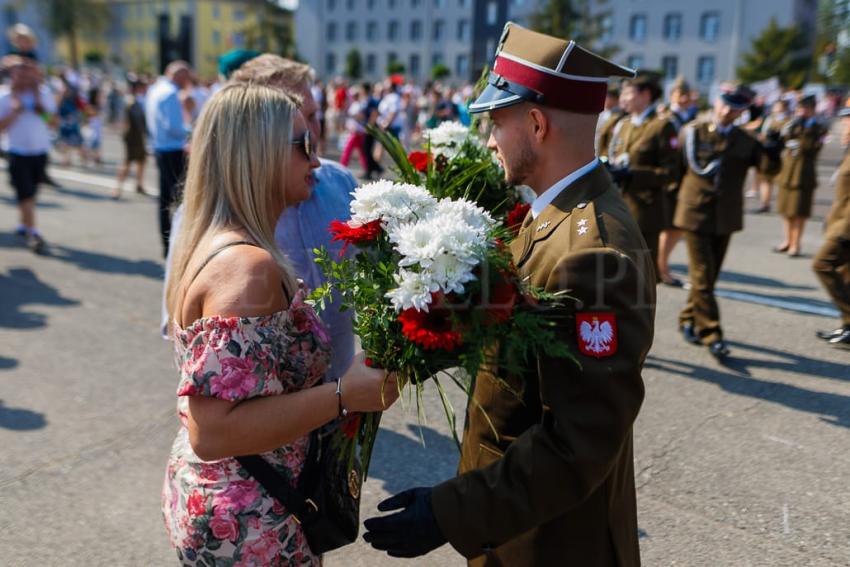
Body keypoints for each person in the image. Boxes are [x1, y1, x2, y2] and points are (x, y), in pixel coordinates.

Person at [363, 23, 655, 565]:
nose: (490, 140)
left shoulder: (594, 253)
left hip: (552, 543)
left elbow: (579, 443)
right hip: (520, 527)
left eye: (497, 122)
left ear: (538, 123)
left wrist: (451, 513)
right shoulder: (554, 216)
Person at [161, 83, 400, 565]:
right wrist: (342, 395)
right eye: (304, 143)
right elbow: (214, 431)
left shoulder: (223, 243)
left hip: (237, 500)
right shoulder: (245, 269)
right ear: (260, 154)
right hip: (250, 519)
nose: (317, 158)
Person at [674, 84, 770, 359]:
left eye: (735, 107)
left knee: (709, 277)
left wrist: (774, 152)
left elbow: (767, 169)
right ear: (716, 101)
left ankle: (687, 318)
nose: (727, 111)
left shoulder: (746, 140)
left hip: (725, 216)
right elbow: (678, 170)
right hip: (695, 212)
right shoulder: (693, 131)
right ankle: (712, 334)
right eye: (724, 104)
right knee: (703, 276)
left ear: (743, 110)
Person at [601, 71, 680, 279]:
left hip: (646, 211)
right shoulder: (623, 125)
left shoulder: (662, 126)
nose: (623, 98)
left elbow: (670, 172)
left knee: (642, 276)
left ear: (645, 95)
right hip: (618, 206)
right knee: (617, 272)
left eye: (628, 93)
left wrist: (632, 174)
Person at [0, 56, 56, 254]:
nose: (23, 75)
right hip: (17, 152)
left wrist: (40, 107)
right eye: (18, 71)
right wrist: (14, 112)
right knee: (27, 193)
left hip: (40, 151)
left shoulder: (43, 94)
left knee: (31, 192)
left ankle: (23, 225)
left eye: (27, 71)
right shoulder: (5, 97)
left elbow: (53, 123)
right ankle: (33, 232)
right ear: (12, 75)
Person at [812, 100, 850, 348]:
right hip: (840, 220)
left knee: (822, 264)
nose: (845, 124)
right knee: (846, 277)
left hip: (847, 227)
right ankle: (847, 327)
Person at [145, 60, 192, 258]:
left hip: (160, 147)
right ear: (179, 76)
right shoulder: (171, 93)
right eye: (186, 76)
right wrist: (194, 130)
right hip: (173, 150)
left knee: (164, 200)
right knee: (184, 200)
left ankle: (166, 245)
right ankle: (180, 246)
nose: (188, 81)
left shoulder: (155, 89)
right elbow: (174, 127)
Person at [774, 94, 828, 257]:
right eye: (799, 108)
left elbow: (812, 148)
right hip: (788, 172)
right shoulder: (793, 124)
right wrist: (788, 128)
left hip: (804, 173)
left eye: (805, 108)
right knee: (786, 209)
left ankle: (796, 244)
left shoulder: (818, 128)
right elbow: (781, 138)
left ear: (812, 110)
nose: (802, 112)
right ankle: (787, 240)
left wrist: (807, 130)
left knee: (799, 211)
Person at [657, 77, 695, 286]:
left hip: (683, 178)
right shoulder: (669, 119)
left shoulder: (686, 118)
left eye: (686, 95)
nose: (683, 99)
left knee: (676, 227)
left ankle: (662, 266)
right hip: (672, 179)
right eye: (679, 94)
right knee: (671, 227)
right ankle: (662, 269)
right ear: (671, 96)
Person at [752, 99, 791, 214]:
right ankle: (765, 203)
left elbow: (786, 137)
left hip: (781, 154)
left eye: (778, 106)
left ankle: (781, 205)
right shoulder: (770, 119)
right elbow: (763, 134)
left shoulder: (788, 121)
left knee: (781, 181)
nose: (775, 108)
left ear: (784, 108)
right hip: (769, 152)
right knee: (766, 179)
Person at [113, 79, 149, 198]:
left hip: (136, 135)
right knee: (128, 162)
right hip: (133, 135)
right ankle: (117, 188)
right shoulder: (132, 101)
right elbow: (134, 120)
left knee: (141, 161)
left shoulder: (136, 100)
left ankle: (139, 184)